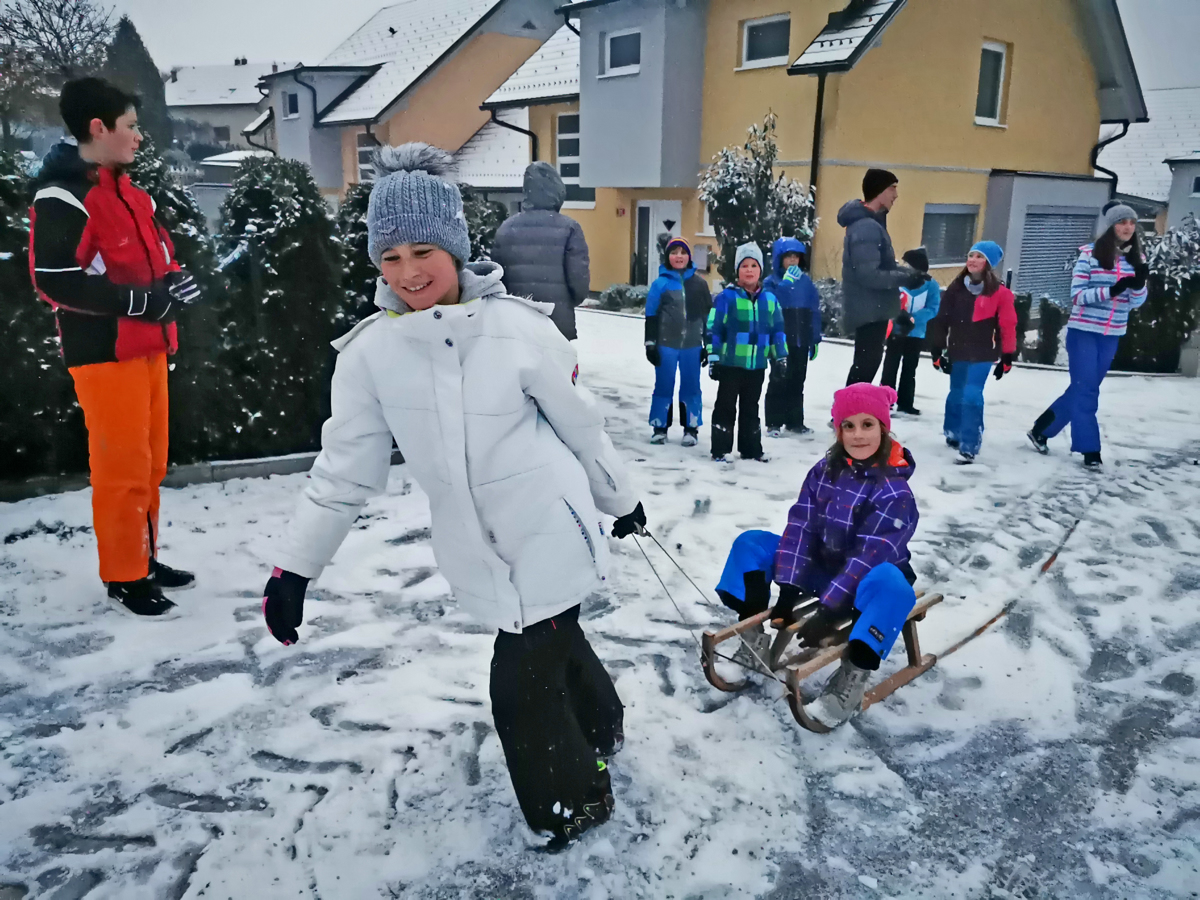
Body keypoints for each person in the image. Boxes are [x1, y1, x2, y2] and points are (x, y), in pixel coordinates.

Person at [260, 144, 645, 851]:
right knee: (551, 635)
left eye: (423, 251)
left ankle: (572, 801)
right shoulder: (370, 356)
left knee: (521, 681)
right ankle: (601, 725)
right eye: (390, 256)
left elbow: (581, 426)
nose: (408, 272)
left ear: (456, 248)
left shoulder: (519, 329)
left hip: (549, 527)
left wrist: (620, 501)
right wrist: (295, 568)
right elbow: (343, 470)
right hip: (479, 546)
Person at [28, 78, 202, 616]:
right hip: (104, 354)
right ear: (98, 128)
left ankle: (144, 559)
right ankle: (124, 576)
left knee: (150, 465)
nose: (139, 137)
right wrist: (139, 301)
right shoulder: (61, 198)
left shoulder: (132, 194)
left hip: (150, 346)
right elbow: (54, 280)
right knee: (121, 469)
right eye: (131, 126)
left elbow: (156, 257)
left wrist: (175, 281)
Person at [714, 383, 919, 728]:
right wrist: (788, 589)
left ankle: (853, 676)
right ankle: (752, 642)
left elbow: (869, 556)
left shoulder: (894, 491)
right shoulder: (824, 471)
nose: (857, 434)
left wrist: (829, 611)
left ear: (883, 428)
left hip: (867, 582)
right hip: (822, 566)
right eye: (848, 425)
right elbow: (801, 527)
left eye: (867, 424)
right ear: (838, 431)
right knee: (751, 544)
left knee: (893, 587)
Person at [1026, 204, 1149, 468]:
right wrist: (1112, 290)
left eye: (1131, 222)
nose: (1127, 227)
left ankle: (1041, 430)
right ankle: (1090, 449)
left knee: (1083, 389)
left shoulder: (1137, 258)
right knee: (1086, 390)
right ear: (1111, 226)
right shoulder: (1090, 255)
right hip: (1084, 331)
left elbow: (1136, 302)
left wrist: (1138, 287)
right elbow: (1078, 296)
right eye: (1122, 222)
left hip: (1112, 333)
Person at [927, 241, 1017, 465]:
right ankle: (953, 432)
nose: (973, 260)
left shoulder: (1001, 294)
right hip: (958, 349)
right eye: (971, 255)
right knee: (956, 393)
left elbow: (1007, 325)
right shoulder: (956, 289)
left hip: (983, 352)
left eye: (979, 256)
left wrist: (1007, 355)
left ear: (989, 263)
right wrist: (937, 349)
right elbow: (941, 320)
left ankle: (969, 444)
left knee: (971, 395)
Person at [837, 169, 926, 386]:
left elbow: (883, 265)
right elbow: (869, 275)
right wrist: (905, 280)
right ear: (879, 191)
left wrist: (911, 274)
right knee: (865, 368)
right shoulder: (866, 227)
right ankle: (849, 407)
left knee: (866, 367)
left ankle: (851, 406)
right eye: (892, 188)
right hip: (868, 311)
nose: (896, 195)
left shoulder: (872, 222)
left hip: (873, 309)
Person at [490, 161, 591, 341]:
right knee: (556, 360)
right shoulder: (570, 228)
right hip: (556, 323)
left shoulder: (506, 228)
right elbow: (579, 282)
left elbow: (497, 280)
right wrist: (565, 302)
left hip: (516, 322)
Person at [706, 243, 787, 463]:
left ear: (761, 270)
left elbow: (777, 331)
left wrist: (780, 357)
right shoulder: (727, 298)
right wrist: (713, 357)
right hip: (730, 364)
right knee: (725, 406)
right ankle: (721, 449)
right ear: (737, 270)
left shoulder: (770, 300)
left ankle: (751, 448)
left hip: (756, 365)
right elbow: (714, 329)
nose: (749, 270)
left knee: (751, 408)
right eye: (744, 266)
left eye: (753, 265)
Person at [644, 236, 712, 446]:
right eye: (674, 253)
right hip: (666, 345)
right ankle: (660, 427)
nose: (679, 256)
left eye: (683, 252)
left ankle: (691, 428)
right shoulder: (660, 284)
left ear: (689, 256)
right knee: (663, 385)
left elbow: (708, 317)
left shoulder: (699, 284)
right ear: (667, 257)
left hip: (692, 345)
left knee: (691, 387)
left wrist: (708, 345)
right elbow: (651, 316)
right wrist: (650, 344)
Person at [763, 237, 822, 436]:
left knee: (798, 380)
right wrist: (785, 285)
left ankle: (795, 421)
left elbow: (814, 311)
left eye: (796, 257)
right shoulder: (771, 282)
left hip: (800, 340)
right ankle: (773, 422)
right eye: (788, 256)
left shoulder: (806, 283)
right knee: (778, 379)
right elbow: (768, 306)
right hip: (780, 341)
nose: (792, 261)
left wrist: (814, 338)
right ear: (779, 259)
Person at [881, 247, 941, 416]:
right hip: (896, 330)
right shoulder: (898, 280)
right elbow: (888, 300)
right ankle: (885, 400)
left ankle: (906, 402)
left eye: (908, 263)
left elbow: (933, 308)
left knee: (910, 368)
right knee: (890, 366)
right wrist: (897, 315)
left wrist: (914, 318)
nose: (905, 266)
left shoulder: (931, 285)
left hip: (916, 332)